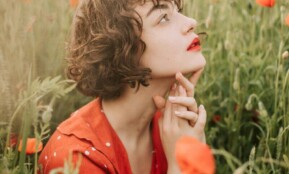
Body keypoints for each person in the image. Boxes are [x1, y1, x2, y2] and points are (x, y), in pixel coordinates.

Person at [38, 0, 207, 173]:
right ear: (121, 47)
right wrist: (181, 165)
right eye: (163, 18)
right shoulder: (74, 157)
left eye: (178, 11)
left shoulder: (174, 129)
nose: (190, 22)